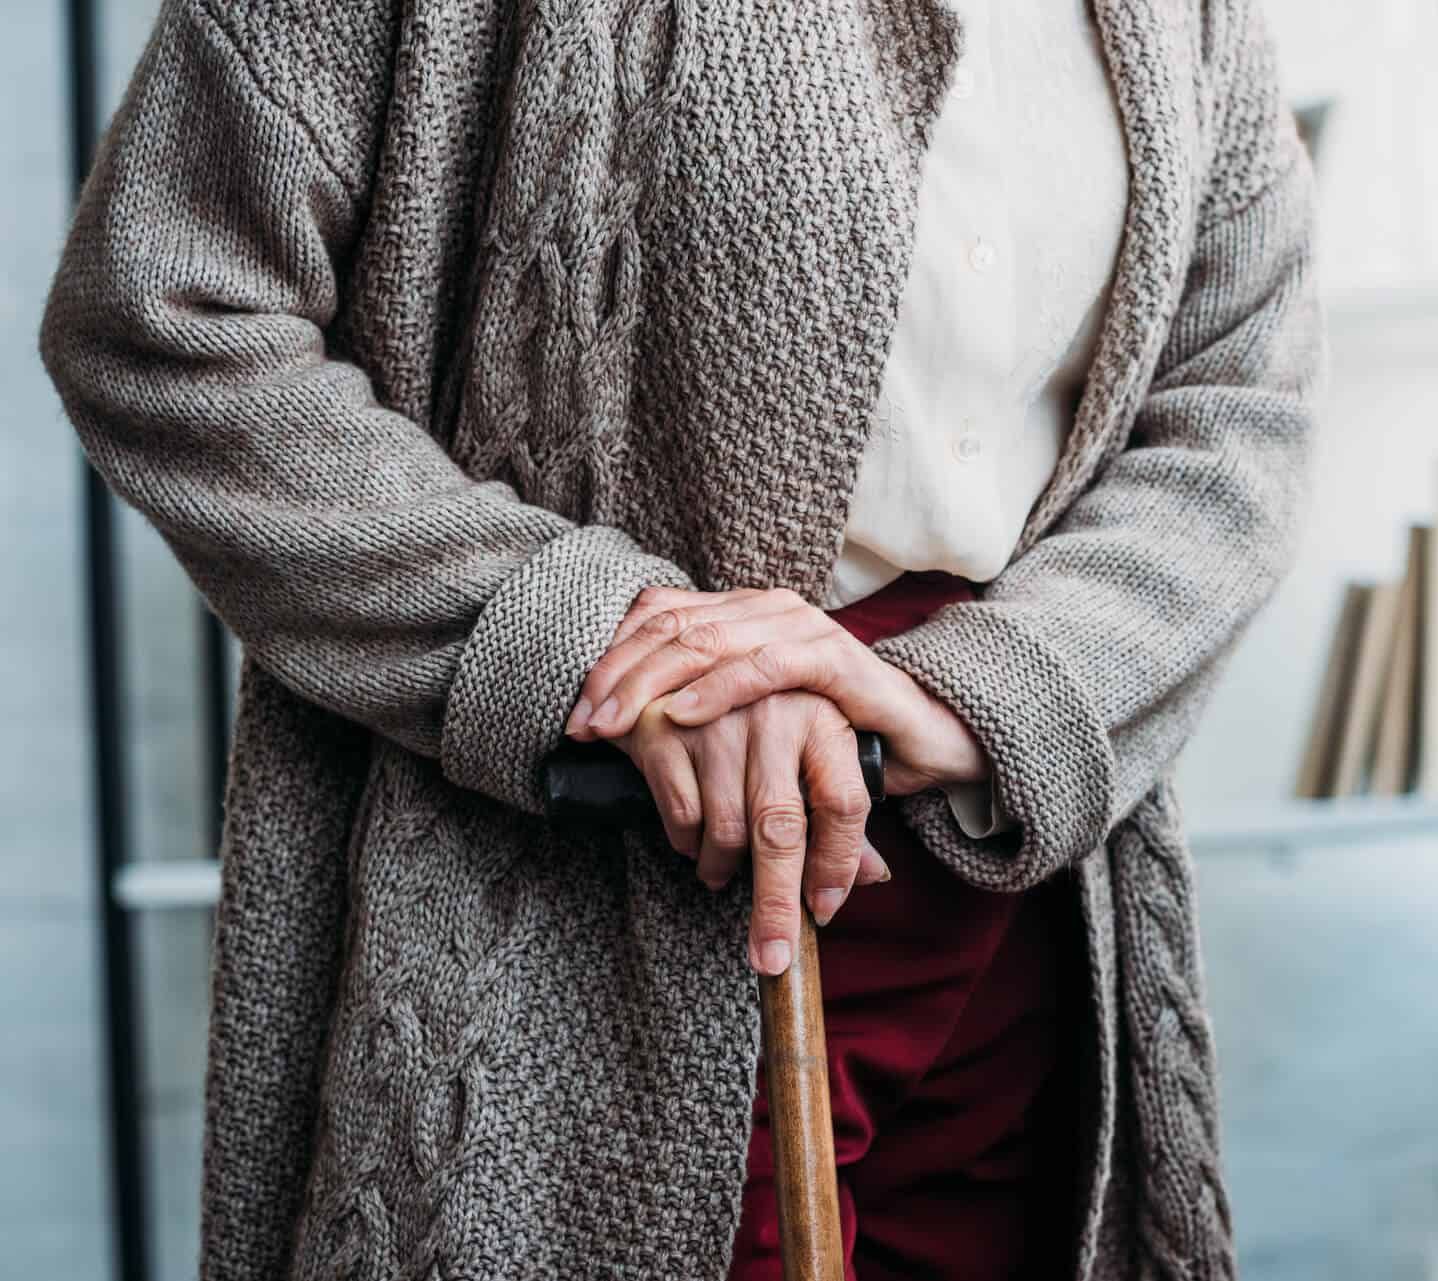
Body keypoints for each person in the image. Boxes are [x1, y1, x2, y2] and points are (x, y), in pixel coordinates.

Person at [38, 0, 1322, 1276]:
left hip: (1010, 866)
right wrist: (583, 632)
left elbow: (1233, 408)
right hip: (579, 886)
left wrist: (998, 692)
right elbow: (168, 311)